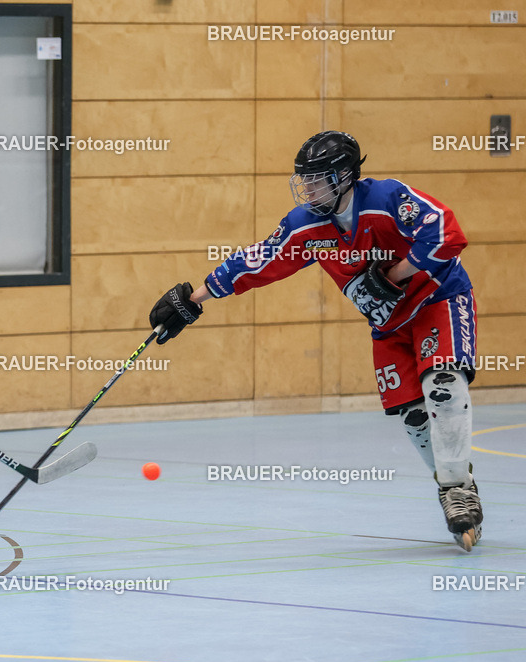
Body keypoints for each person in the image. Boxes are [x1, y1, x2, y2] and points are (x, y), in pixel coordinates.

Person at [148, 131, 483, 551]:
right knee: (413, 416)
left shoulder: (388, 198)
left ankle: (456, 490)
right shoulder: (306, 225)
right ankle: (456, 480)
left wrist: (392, 275)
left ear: (342, 176)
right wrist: (193, 299)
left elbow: (447, 233)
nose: (306, 187)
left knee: (443, 383)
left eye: (315, 178)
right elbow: (260, 260)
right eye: (303, 179)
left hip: (438, 298)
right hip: (388, 323)